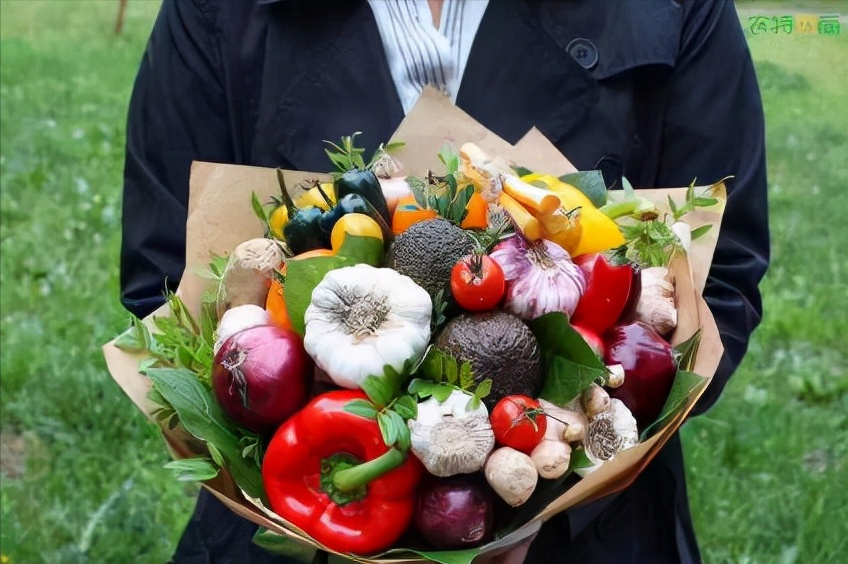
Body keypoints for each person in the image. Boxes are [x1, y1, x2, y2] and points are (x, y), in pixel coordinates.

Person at [119, 1, 770, 563]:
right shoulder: (217, 13)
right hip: (306, 512)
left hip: (591, 534)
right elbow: (170, 285)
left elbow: (719, 277)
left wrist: (534, 510)